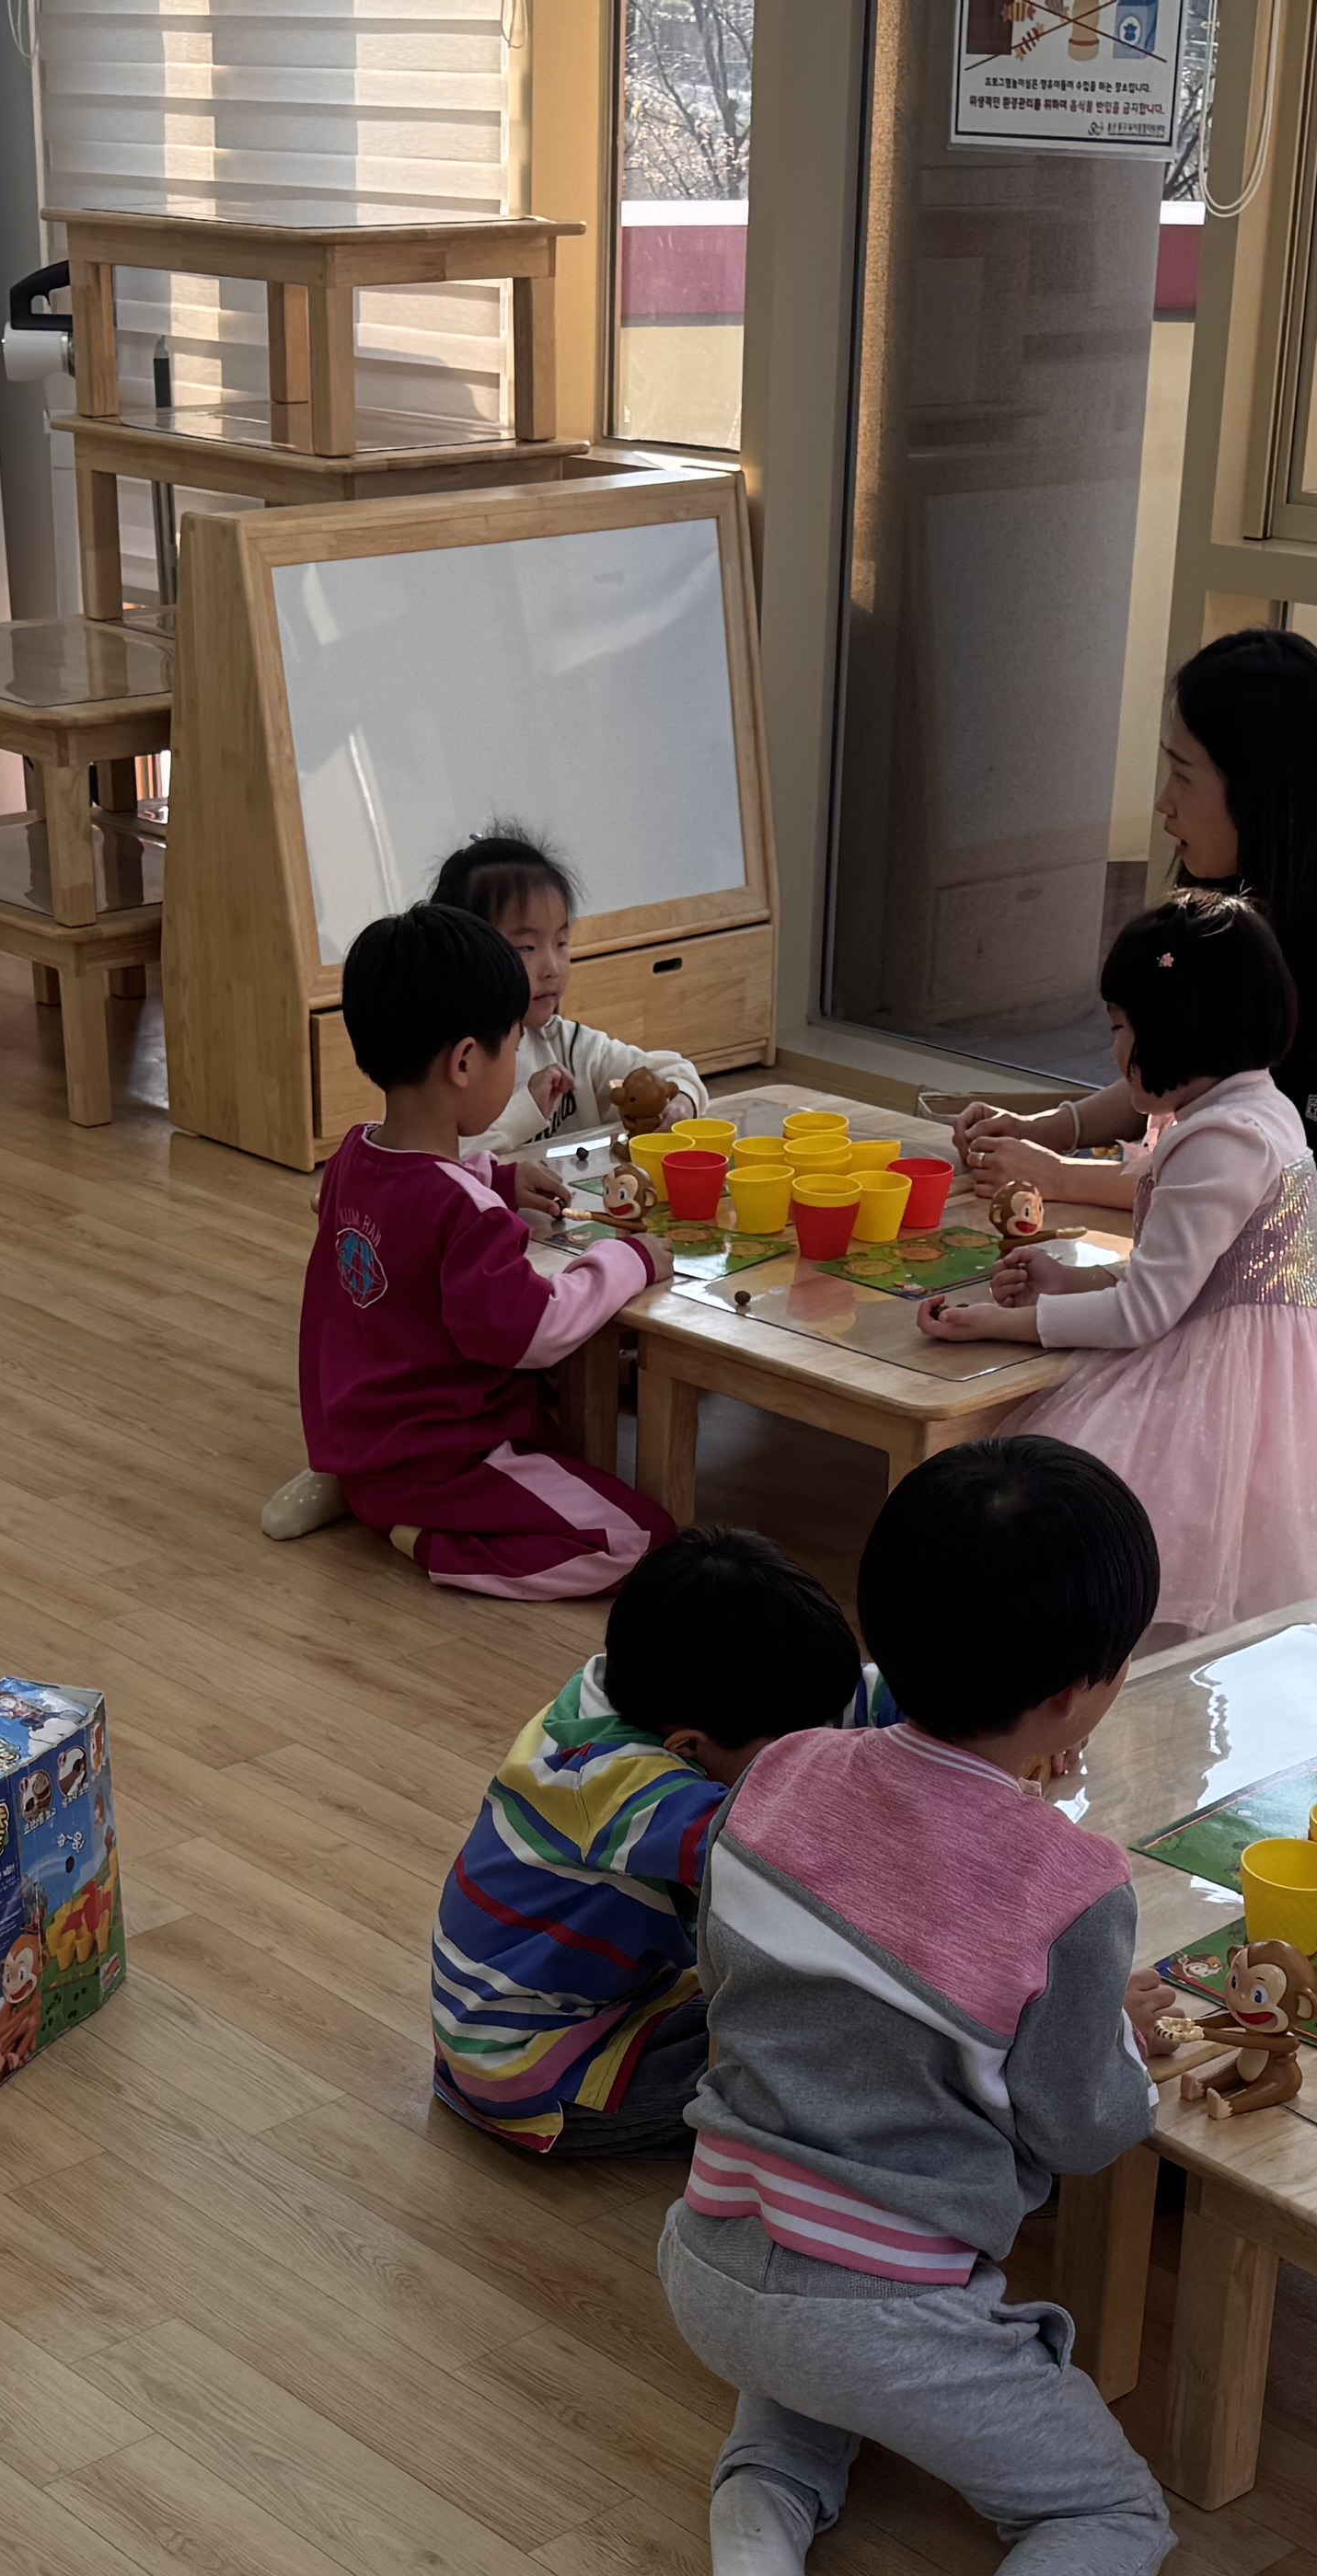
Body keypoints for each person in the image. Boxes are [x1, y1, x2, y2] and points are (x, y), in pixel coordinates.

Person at [664, 1441, 1180, 2576]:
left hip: (708, 2254)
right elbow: (1085, 2128)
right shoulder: (1073, 1884)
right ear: (1075, 1696)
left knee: (806, 2340)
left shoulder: (780, 1772)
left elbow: (757, 1979)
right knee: (1111, 2516)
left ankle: (764, 2498)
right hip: (878, 2317)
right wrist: (1117, 2033)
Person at [916, 893, 1317, 1643]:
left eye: (1120, 1028)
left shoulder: (1222, 1140)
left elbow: (1144, 1313)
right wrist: (1070, 1281)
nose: (1115, 1051)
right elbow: (1186, 1279)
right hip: (1265, 1369)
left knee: (1087, 1520)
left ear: (1176, 1027)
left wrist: (1000, 1324)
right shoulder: (1258, 1107)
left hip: (1226, 1385)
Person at [958, 627, 1317, 1382]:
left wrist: (1061, 1174)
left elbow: (1240, 1173)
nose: (1162, 803)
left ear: (1257, 785)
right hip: (1209, 1285)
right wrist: (1051, 1129)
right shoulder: (1239, 892)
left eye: (1182, 775)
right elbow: (1185, 1065)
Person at [433, 1526, 868, 2161]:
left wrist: (955, 1707)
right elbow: (788, 1853)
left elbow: (839, 1697)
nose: (813, 1755)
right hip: (538, 2070)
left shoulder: (647, 1685)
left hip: (590, 2011)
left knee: (798, 2018)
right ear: (687, 1747)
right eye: (792, 1752)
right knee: (817, 2063)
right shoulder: (623, 1791)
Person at [275, 898, 667, 1597]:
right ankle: (433, 1545)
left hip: (363, 1448)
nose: (514, 1061)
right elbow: (537, 1331)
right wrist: (627, 1261)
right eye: (511, 1047)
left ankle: (377, 1504)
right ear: (464, 1061)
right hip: (446, 1465)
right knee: (642, 1542)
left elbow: (416, 1202)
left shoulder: (352, 1159)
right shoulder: (465, 1212)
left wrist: (498, 1177)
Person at [437, 821, 708, 1171]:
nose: (552, 967)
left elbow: (676, 1071)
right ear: (465, 955)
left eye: (561, 942)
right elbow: (439, 1159)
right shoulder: (452, 1061)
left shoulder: (565, 1042)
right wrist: (527, 1109)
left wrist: (680, 1103)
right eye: (526, 947)